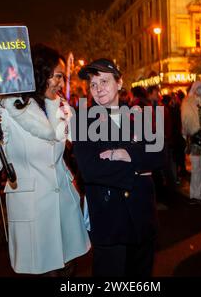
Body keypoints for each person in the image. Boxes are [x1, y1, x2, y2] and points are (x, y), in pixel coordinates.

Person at [0, 44, 90, 275]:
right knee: (43, 271)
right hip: (33, 210)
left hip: (64, 205)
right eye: (57, 76)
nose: (61, 83)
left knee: (68, 269)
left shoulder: (62, 108)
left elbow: (83, 144)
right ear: (39, 73)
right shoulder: (6, 109)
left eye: (63, 77)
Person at [72, 58, 163, 277]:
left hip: (142, 218)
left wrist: (126, 154)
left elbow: (160, 155)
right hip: (110, 223)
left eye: (104, 81)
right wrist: (137, 167)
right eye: (93, 84)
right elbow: (91, 169)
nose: (98, 88)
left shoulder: (138, 116)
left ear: (119, 83)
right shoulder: (82, 122)